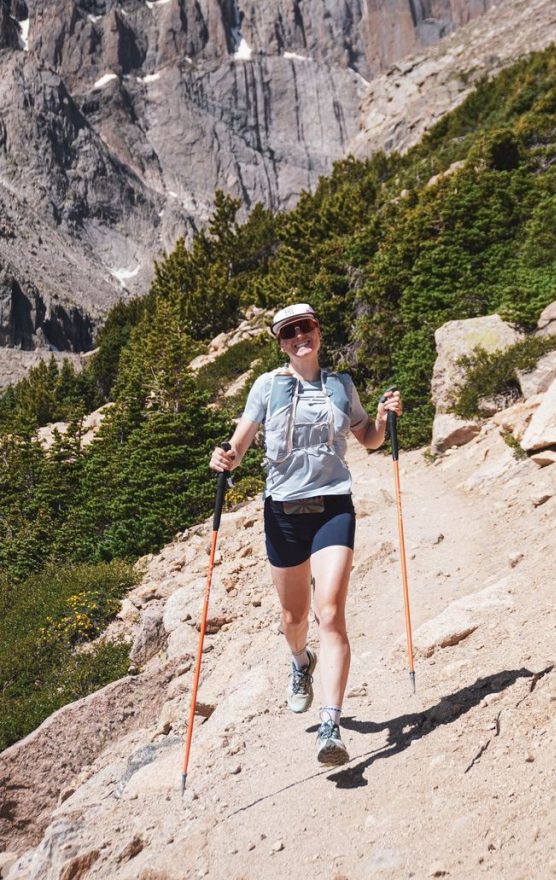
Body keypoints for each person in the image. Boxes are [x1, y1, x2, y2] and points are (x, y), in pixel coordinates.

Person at [210, 302, 402, 767]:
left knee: (330, 613)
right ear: (280, 341)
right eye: (289, 331)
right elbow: (239, 442)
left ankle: (330, 725)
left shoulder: (341, 386)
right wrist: (226, 458)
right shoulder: (267, 387)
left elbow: (369, 438)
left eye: (306, 328)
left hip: (334, 507)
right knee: (294, 617)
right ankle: (300, 663)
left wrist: (383, 417)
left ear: (318, 331)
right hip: (283, 514)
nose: (300, 336)